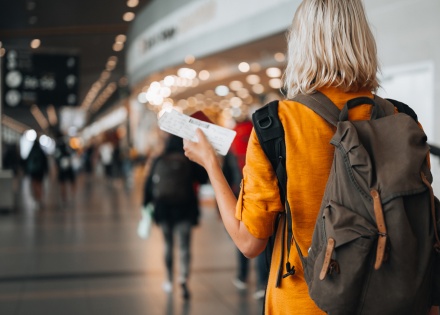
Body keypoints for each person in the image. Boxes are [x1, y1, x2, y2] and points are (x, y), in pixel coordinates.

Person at [182, 1, 439, 314]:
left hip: (304, 304)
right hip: (395, 302)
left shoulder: (275, 124)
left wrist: (211, 163)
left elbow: (249, 243)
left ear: (301, 43)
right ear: (362, 39)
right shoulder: (403, 121)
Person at [143, 134, 208, 300]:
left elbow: (149, 185)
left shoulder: (159, 159)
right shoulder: (188, 160)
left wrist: (146, 204)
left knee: (168, 244)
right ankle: (183, 278)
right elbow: (203, 178)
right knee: (184, 246)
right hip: (185, 209)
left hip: (164, 209)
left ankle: (169, 280)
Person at [222, 118, 269, 300]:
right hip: (258, 193)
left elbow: (226, 172)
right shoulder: (259, 132)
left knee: (241, 236)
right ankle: (261, 283)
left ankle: (242, 276)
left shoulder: (232, 138)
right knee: (260, 238)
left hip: (236, 195)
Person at [25, 138, 49, 209]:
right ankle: (40, 198)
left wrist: (27, 171)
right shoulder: (41, 151)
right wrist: (46, 171)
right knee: (40, 185)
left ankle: (36, 199)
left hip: (33, 172)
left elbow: (27, 161)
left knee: (34, 184)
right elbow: (45, 162)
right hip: (40, 171)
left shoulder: (31, 151)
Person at [53, 136, 76, 203]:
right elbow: (72, 155)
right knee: (71, 182)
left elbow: (56, 159)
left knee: (63, 183)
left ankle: (64, 197)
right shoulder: (68, 147)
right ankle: (72, 195)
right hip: (69, 167)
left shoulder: (58, 148)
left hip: (62, 169)